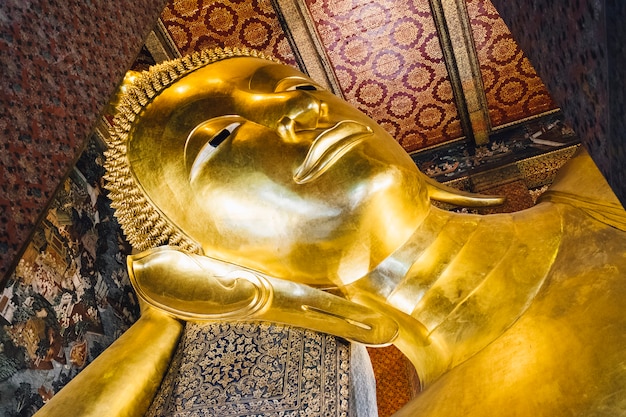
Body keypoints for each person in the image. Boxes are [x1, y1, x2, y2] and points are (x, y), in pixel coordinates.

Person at [37, 48, 626, 416]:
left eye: (298, 88)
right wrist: (166, 318)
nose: (300, 112)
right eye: (221, 141)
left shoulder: (602, 184)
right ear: (215, 275)